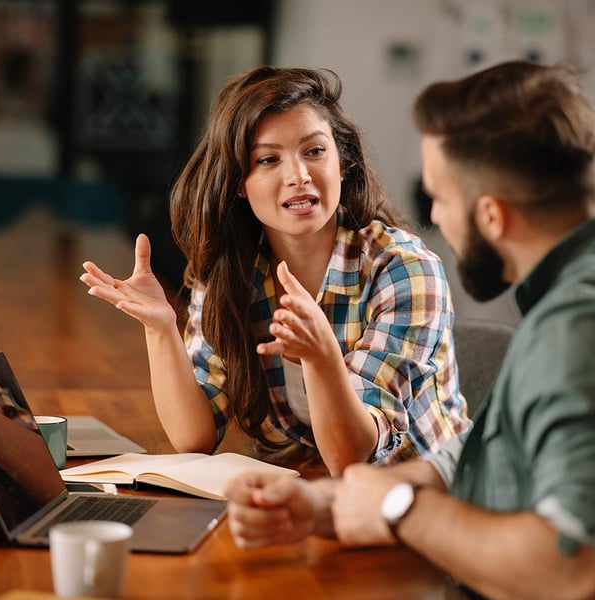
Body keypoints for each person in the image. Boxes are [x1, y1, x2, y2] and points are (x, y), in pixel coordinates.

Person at [222, 61, 595, 600]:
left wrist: (398, 509)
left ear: (493, 216)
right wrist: (334, 504)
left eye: (441, 198)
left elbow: (585, 573)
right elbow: (497, 453)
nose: (435, 217)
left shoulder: (588, 332)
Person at [80, 66, 470, 476]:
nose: (298, 176)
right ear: (237, 184)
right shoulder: (233, 272)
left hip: (425, 500)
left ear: (343, 163)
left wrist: (322, 358)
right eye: (268, 159)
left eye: (315, 151)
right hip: (313, 489)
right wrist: (161, 329)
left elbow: (352, 457)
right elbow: (193, 438)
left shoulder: (404, 269)